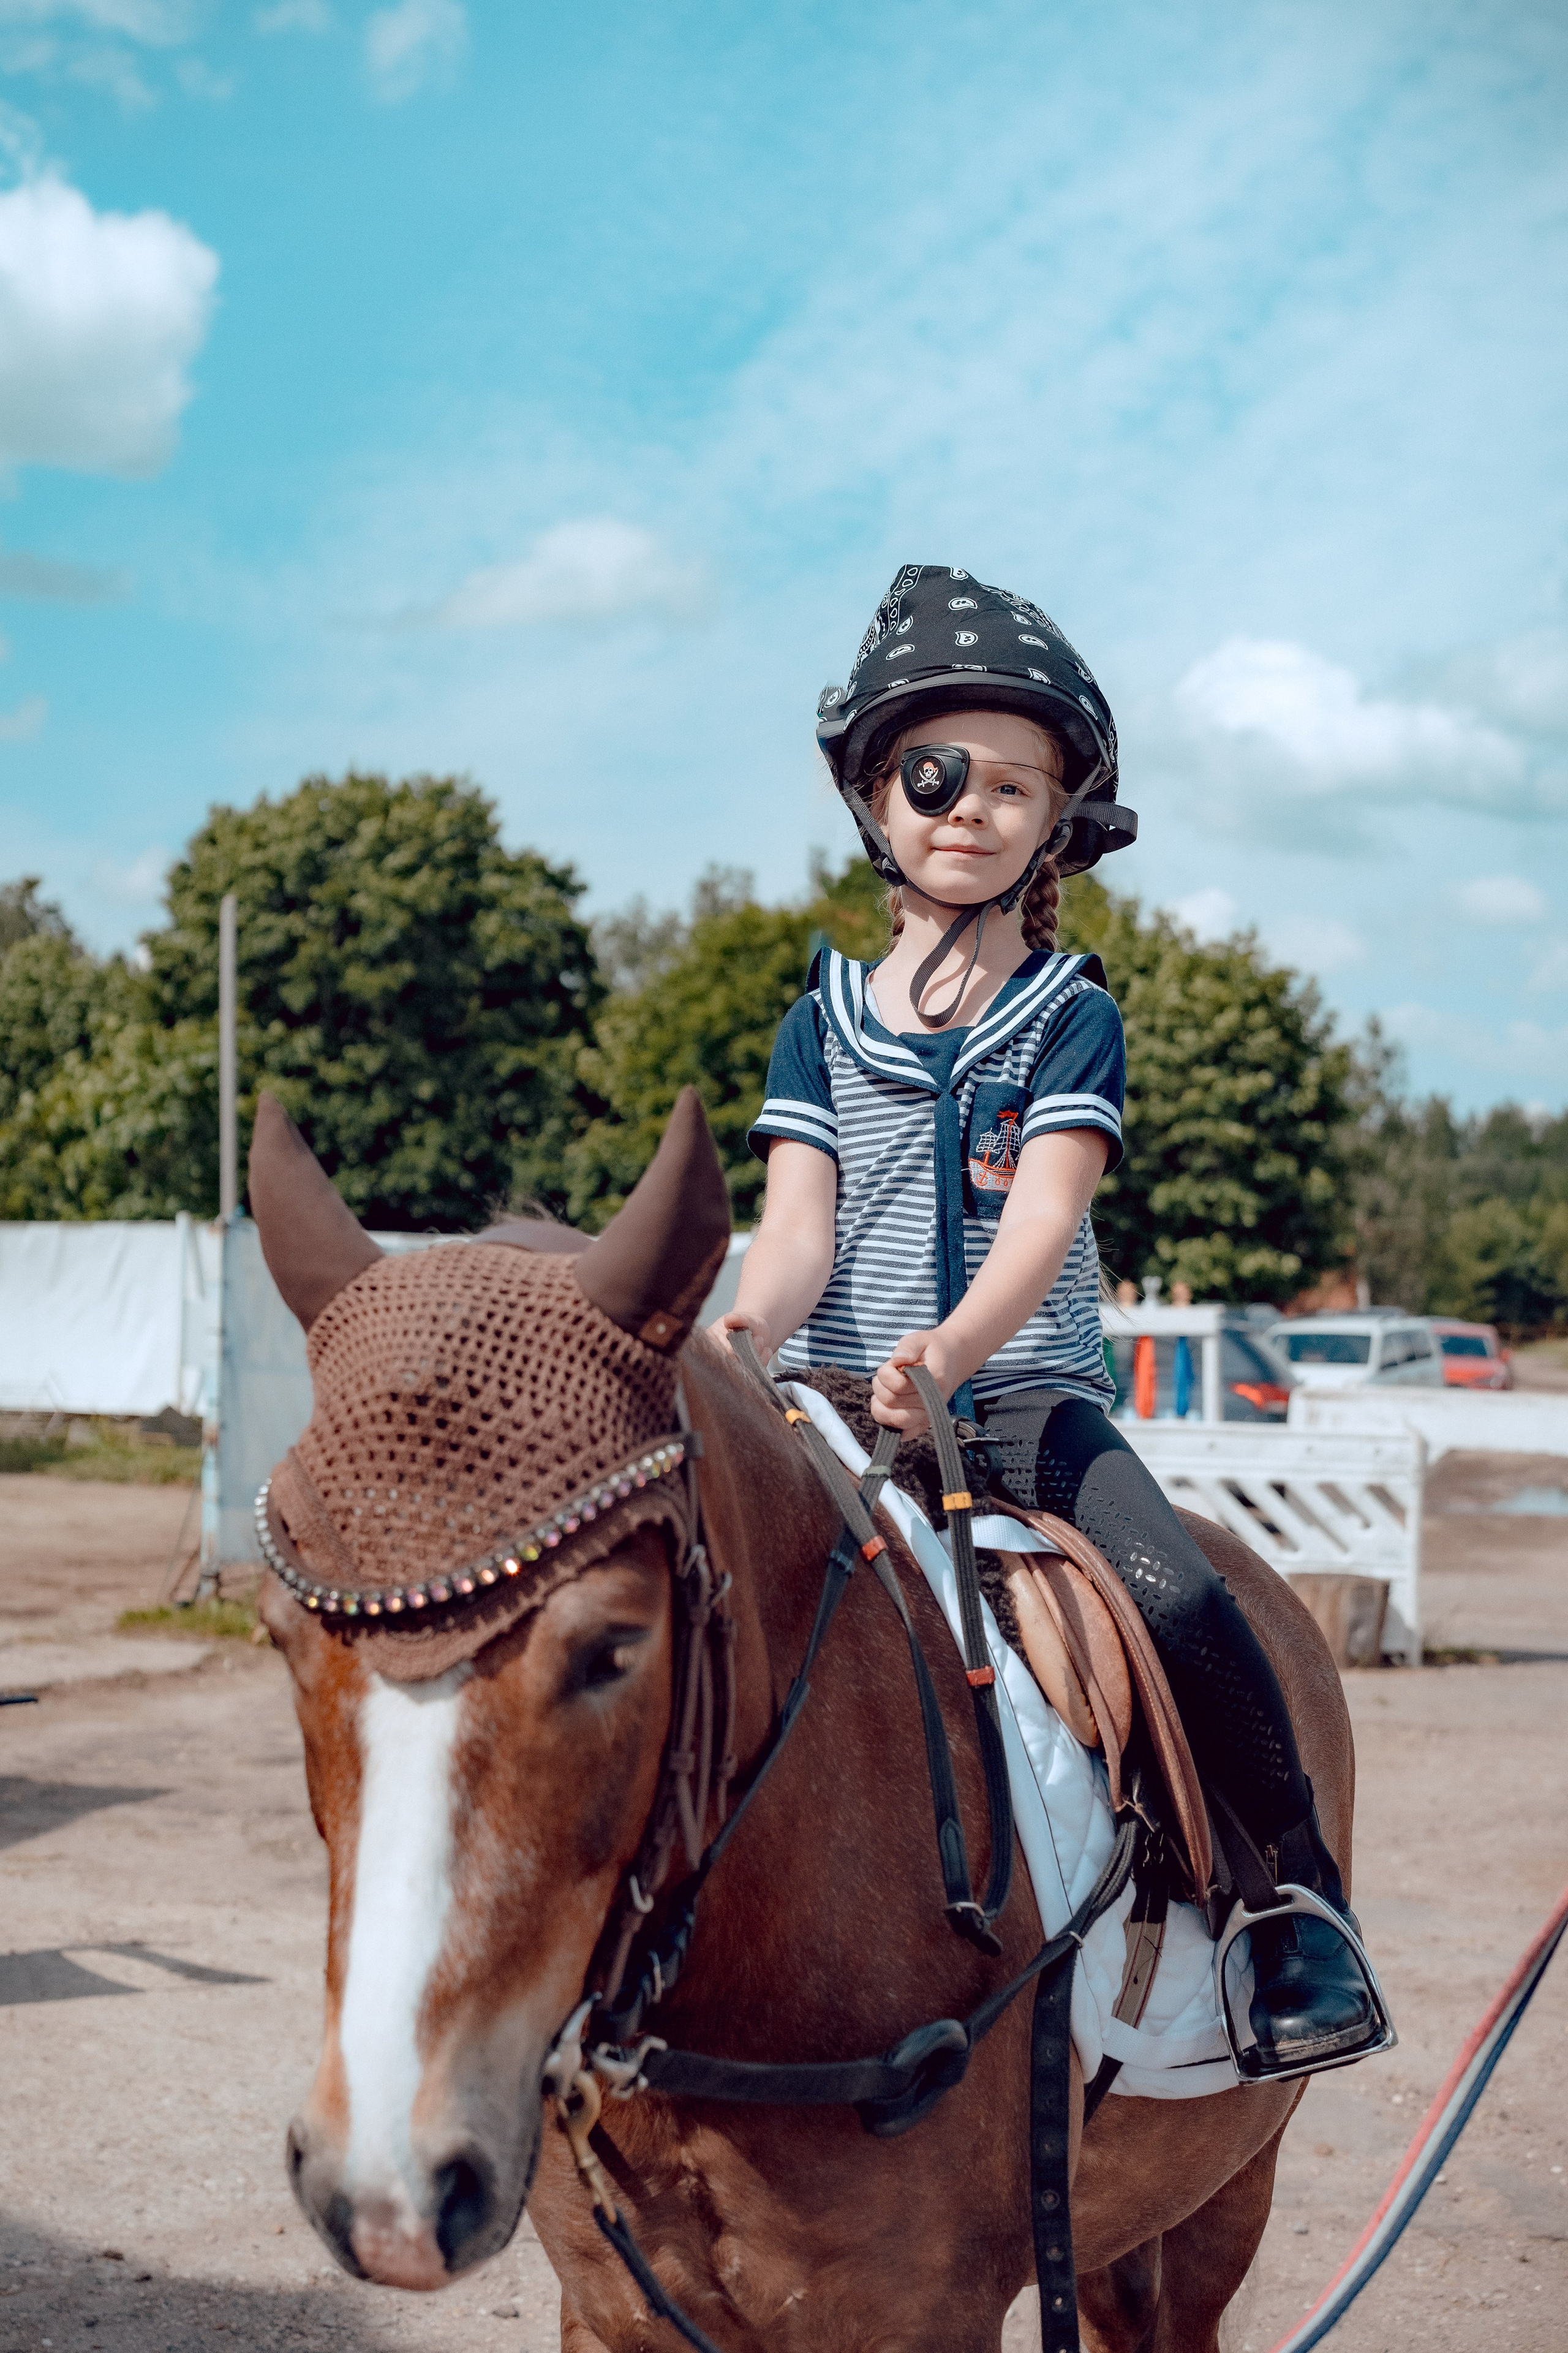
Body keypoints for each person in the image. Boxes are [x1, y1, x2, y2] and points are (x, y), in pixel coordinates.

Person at [714, 563, 1382, 2079]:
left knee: (1177, 1591)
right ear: (876, 798)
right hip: (829, 1401)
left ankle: (1288, 1906)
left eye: (1016, 786)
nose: (971, 807)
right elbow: (796, 1229)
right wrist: (738, 1347)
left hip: (1014, 1400)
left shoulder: (1071, 1013)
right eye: (937, 774)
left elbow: (1043, 1223)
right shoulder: (816, 1021)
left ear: (1056, 824)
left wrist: (945, 1359)